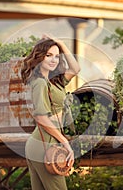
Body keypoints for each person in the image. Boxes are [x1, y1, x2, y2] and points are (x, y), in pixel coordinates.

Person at [21, 35, 80, 190]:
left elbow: (75, 69)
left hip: (41, 143)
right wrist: (65, 142)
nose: (53, 60)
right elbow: (41, 118)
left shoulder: (55, 81)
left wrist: (60, 44)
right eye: (49, 56)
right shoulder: (39, 83)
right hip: (45, 143)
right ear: (39, 57)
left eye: (56, 56)